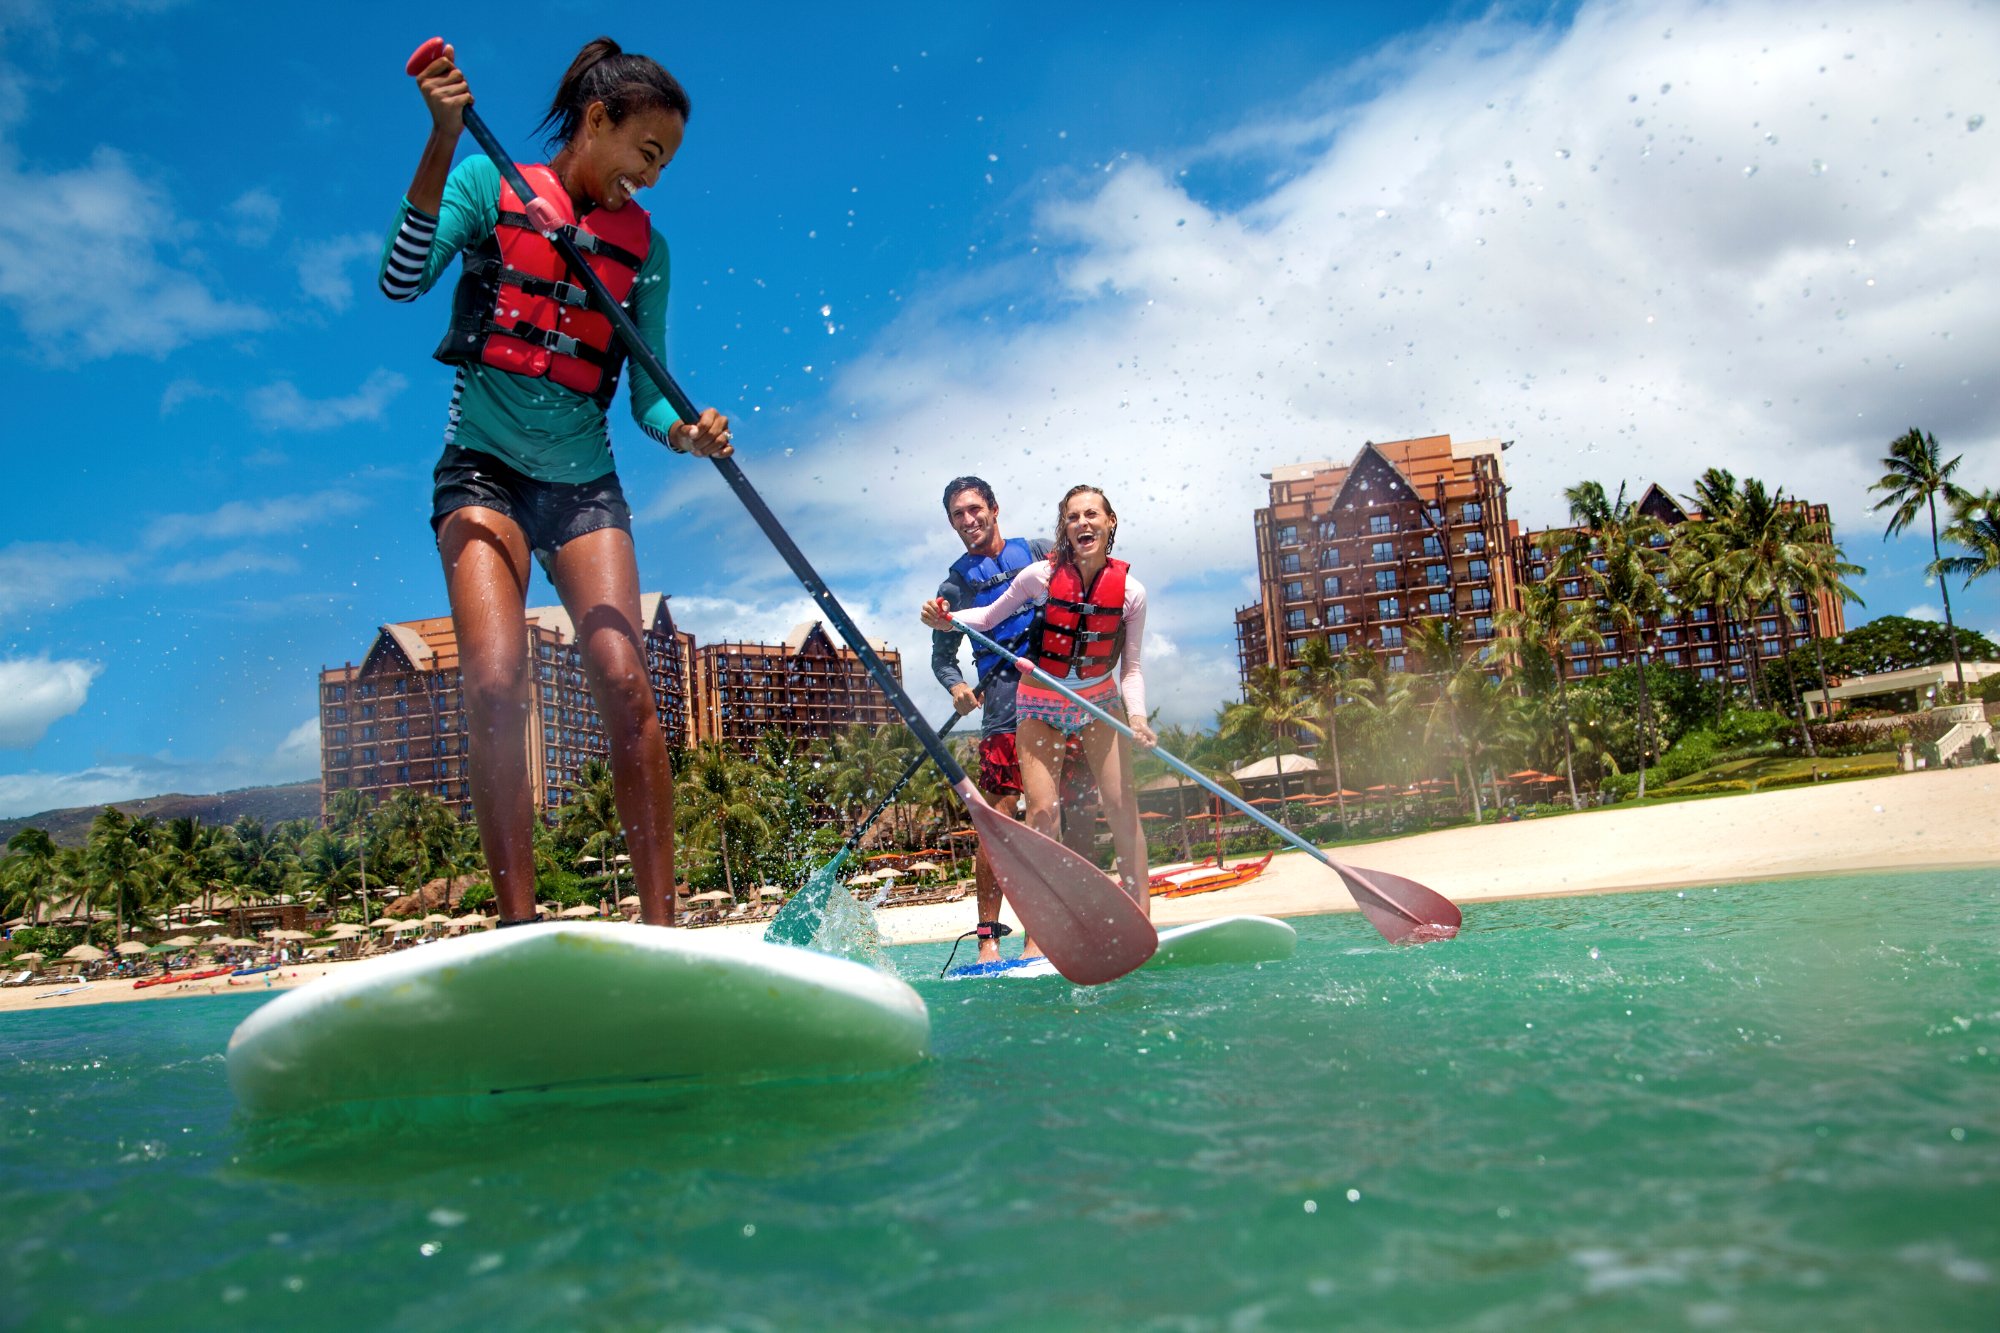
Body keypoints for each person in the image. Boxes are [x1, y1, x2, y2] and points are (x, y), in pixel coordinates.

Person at [382, 38, 731, 927]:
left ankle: (664, 926)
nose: (650, 178)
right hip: (483, 474)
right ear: (597, 120)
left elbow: (650, 395)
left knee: (624, 677)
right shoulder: (485, 186)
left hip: (582, 485)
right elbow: (399, 280)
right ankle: (517, 925)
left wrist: (686, 432)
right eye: (647, 154)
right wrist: (443, 137)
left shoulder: (644, 248)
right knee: (495, 683)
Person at [923, 485, 1155, 913]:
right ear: (1063, 528)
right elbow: (989, 618)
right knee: (1042, 813)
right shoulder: (1036, 577)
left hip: (1098, 703)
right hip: (1036, 702)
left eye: (1092, 515)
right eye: (1073, 517)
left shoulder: (1131, 592)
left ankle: (1141, 915)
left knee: (1121, 807)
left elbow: (1132, 668)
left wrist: (1137, 717)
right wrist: (946, 619)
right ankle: (1046, 923)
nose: (1083, 523)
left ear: (1110, 521)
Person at [931, 477, 1062, 963]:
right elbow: (942, 657)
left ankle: (1040, 933)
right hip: (1002, 701)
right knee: (998, 817)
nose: (968, 521)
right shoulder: (954, 584)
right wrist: (958, 687)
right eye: (957, 515)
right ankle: (988, 937)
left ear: (994, 509)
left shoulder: (1040, 551)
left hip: (1053, 693)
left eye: (974, 509)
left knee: (1048, 813)